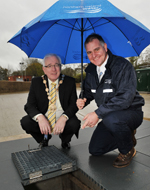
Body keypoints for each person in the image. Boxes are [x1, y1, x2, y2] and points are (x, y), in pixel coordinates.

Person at [77, 33, 145, 168]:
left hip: (131, 112)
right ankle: (127, 135)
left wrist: (97, 114)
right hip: (109, 115)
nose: (93, 55)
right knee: (95, 150)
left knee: (111, 119)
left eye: (97, 49)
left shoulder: (123, 66)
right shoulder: (90, 70)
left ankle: (127, 150)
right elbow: (89, 91)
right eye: (89, 52)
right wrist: (83, 98)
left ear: (105, 47)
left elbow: (125, 98)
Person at [21, 53, 80, 149]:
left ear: (60, 67)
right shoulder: (36, 82)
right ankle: (43, 139)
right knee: (26, 122)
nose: (54, 69)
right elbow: (29, 105)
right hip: (45, 116)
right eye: (49, 66)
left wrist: (64, 117)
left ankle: (65, 140)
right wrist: (40, 117)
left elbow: (73, 105)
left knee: (74, 123)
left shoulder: (69, 81)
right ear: (44, 69)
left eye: (57, 65)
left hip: (62, 116)